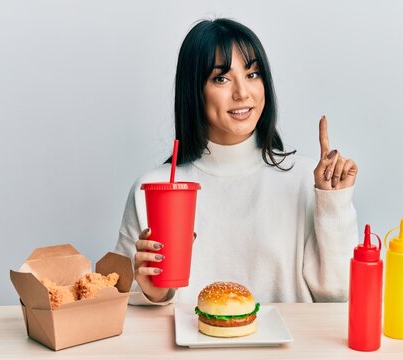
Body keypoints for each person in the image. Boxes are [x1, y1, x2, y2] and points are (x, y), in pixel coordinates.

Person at [115, 18, 359, 305]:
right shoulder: (152, 188)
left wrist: (334, 205)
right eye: (221, 78)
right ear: (194, 91)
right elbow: (118, 301)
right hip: (186, 350)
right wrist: (154, 293)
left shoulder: (305, 178)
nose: (242, 93)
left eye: (253, 74)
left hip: (289, 349)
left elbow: (340, 296)